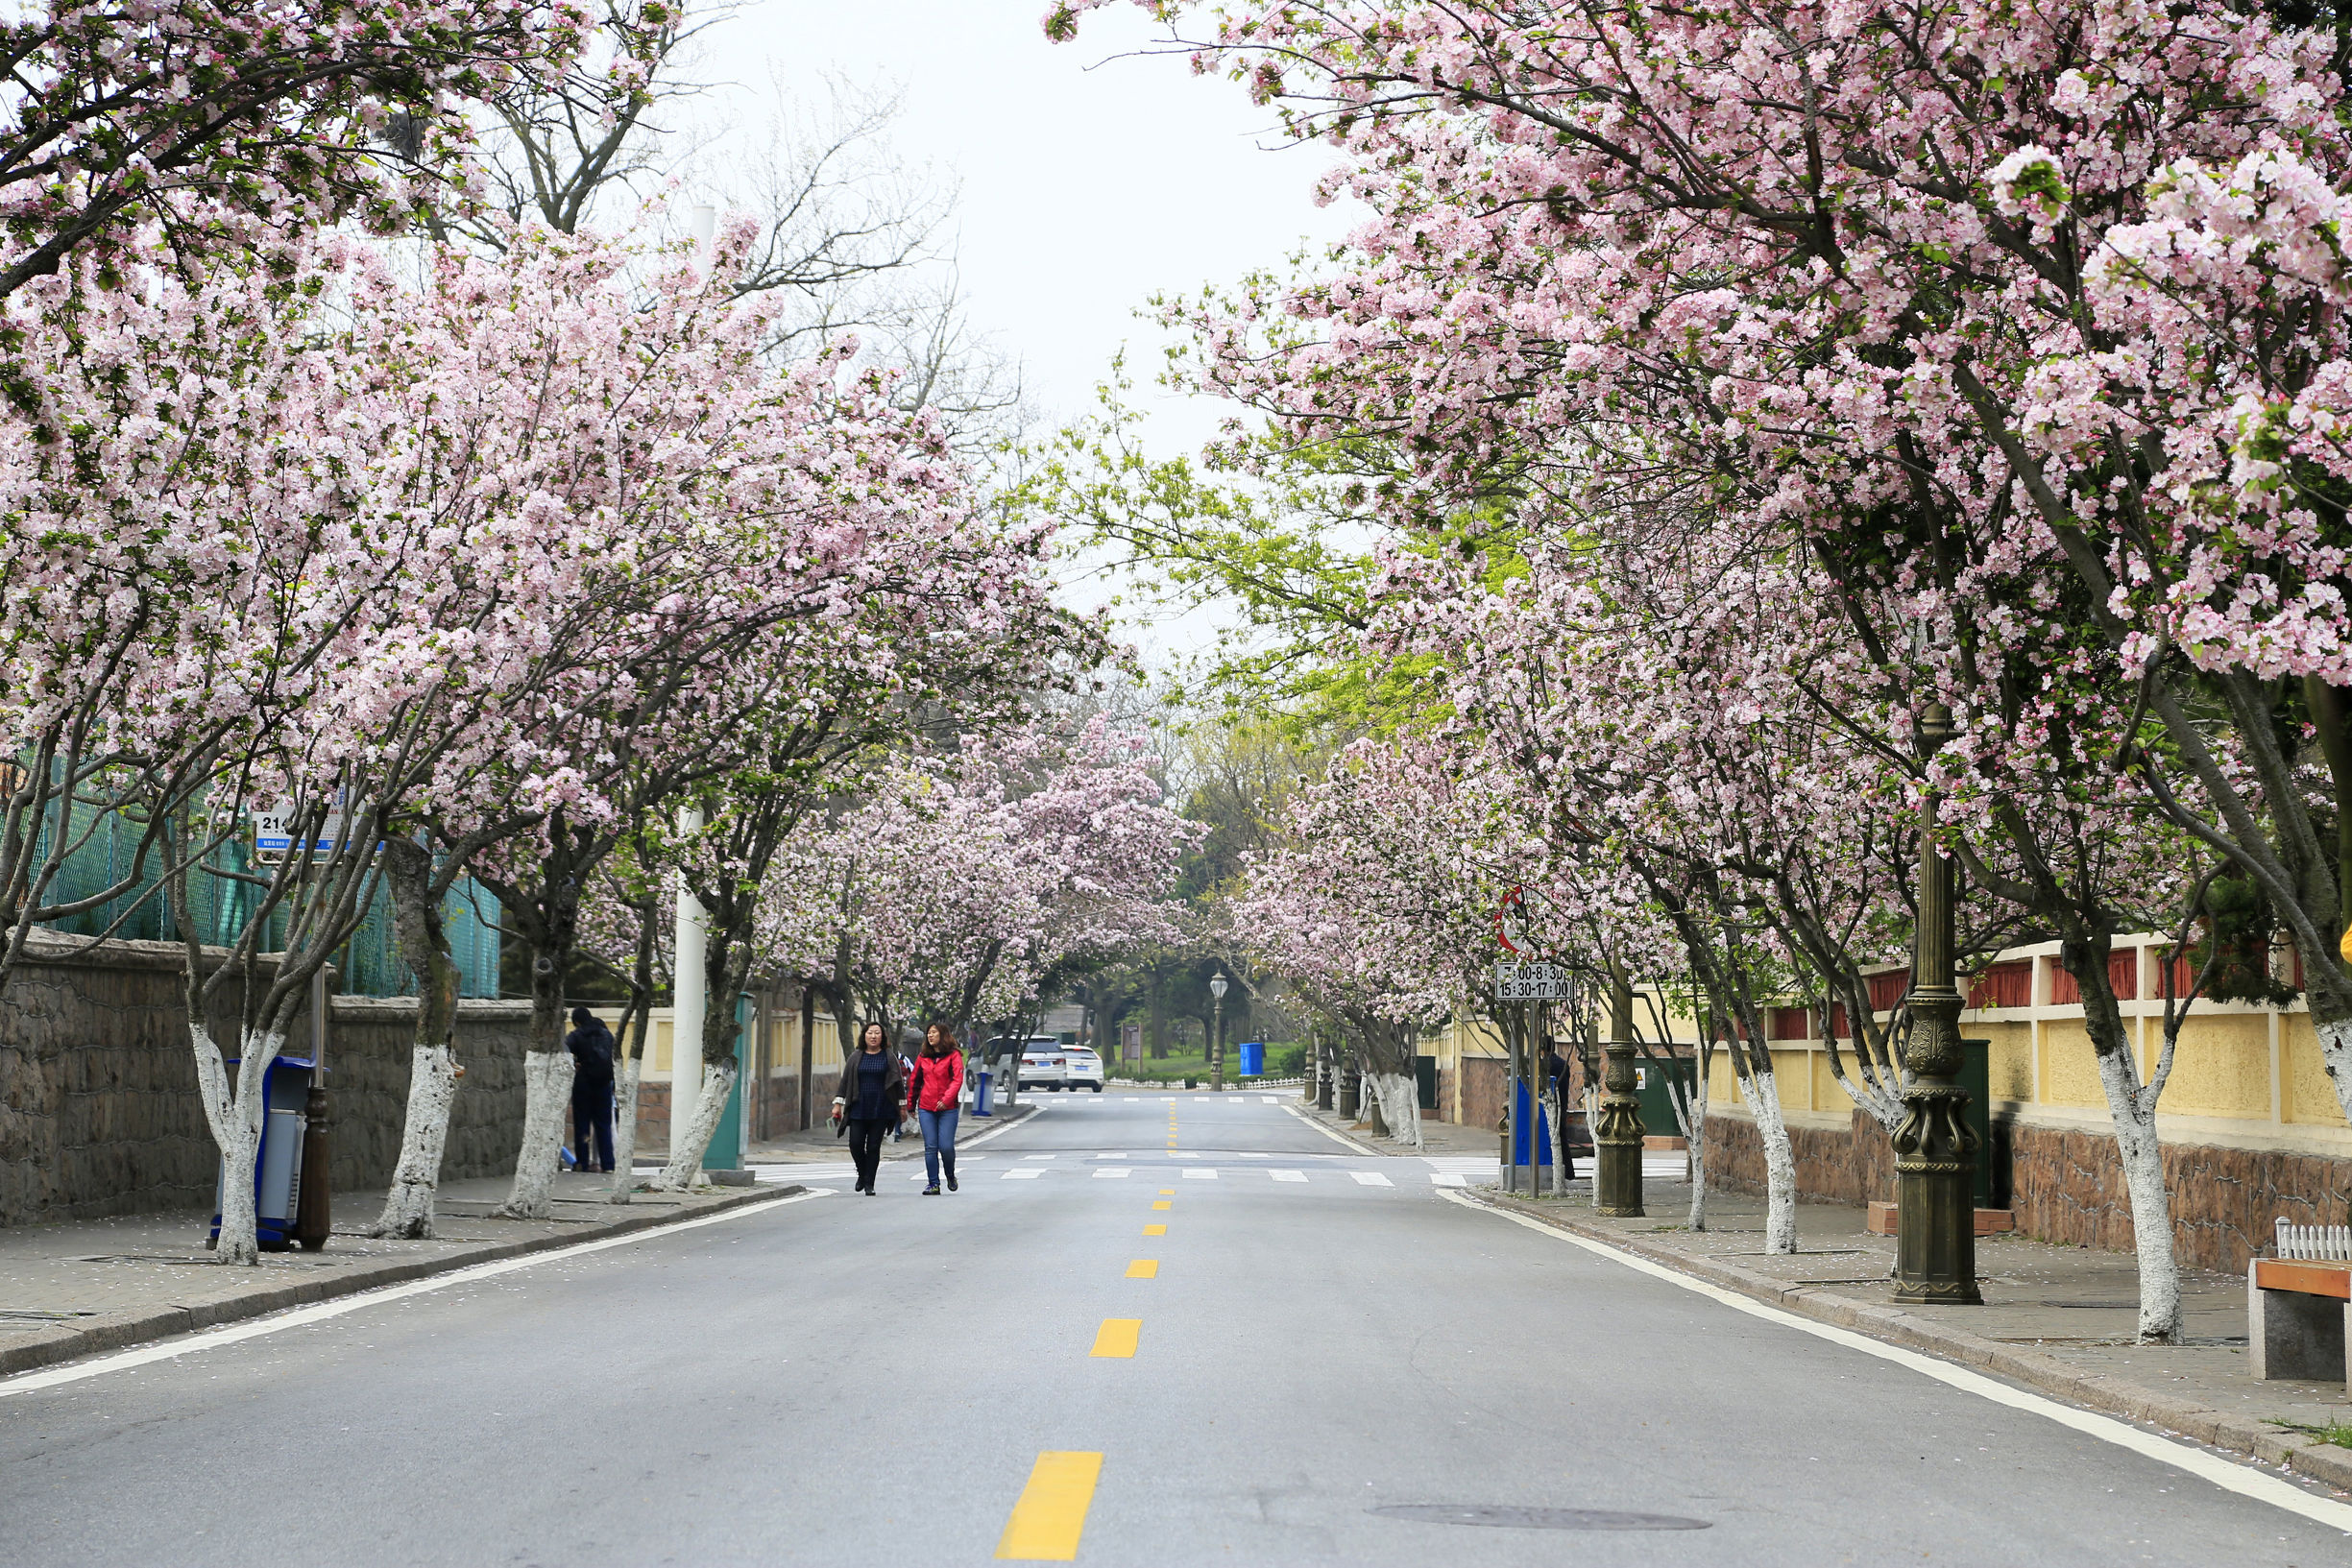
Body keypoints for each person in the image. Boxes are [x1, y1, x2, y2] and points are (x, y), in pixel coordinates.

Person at [833, 1022, 906, 1195]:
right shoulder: (855, 1057)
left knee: (873, 1147)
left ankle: (869, 1183)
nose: (873, 1036)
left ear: (882, 1037)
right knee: (855, 1144)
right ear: (864, 1035)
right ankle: (862, 1172)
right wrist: (838, 1104)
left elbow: (897, 1084)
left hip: (881, 1108)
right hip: (859, 1106)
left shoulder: (889, 1057)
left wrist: (902, 1107)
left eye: (877, 1033)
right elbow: (845, 1081)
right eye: (870, 1033)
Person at [907, 1022, 966, 1194]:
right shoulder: (923, 1056)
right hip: (926, 1107)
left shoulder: (954, 1055)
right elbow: (915, 1081)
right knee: (931, 1147)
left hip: (948, 1109)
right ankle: (933, 1183)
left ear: (943, 1035)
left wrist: (946, 1099)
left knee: (946, 1147)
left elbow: (957, 1080)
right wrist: (911, 1104)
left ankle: (950, 1175)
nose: (930, 1036)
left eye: (934, 1032)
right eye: (929, 1033)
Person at [566, 1006, 618, 1174]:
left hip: (584, 1086)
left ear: (577, 1022)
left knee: (583, 1126)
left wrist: (574, 1063)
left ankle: (582, 1163)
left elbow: (563, 1050)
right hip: (604, 1085)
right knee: (603, 1126)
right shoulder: (606, 1034)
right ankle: (608, 1164)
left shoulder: (577, 1035)